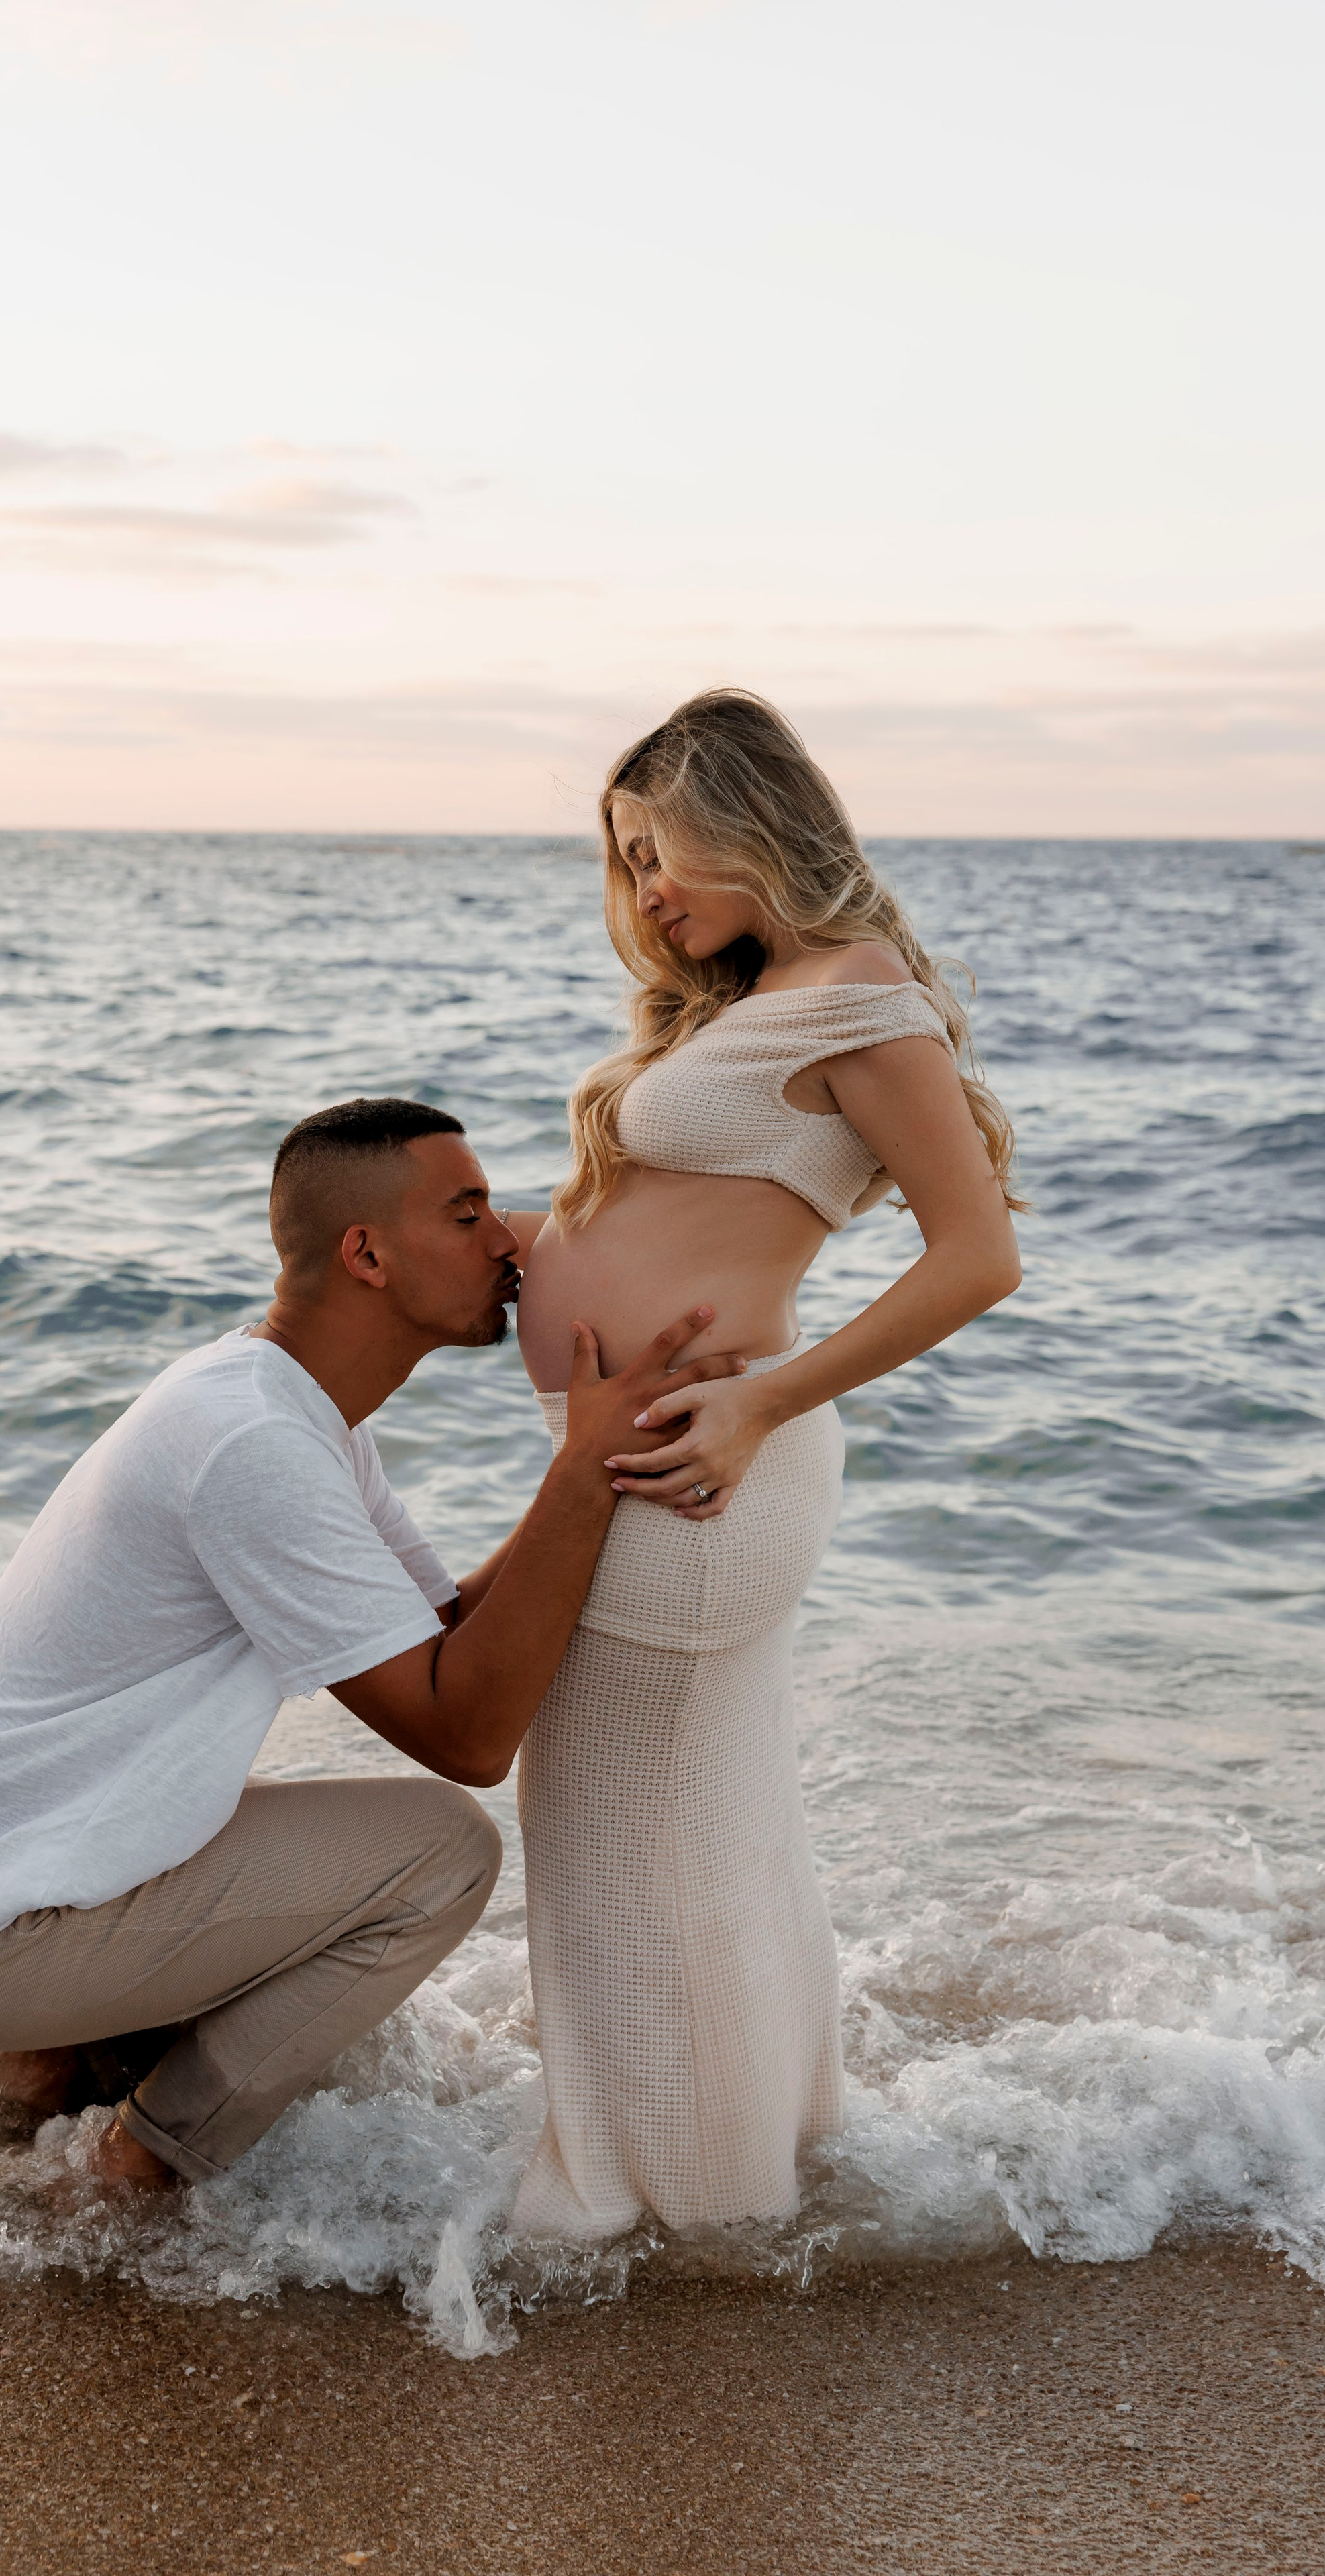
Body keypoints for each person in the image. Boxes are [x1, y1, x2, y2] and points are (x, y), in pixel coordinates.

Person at [0, 1097, 745, 2189]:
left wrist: (600, 1456)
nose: (511, 1238)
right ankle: (140, 2164)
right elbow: (468, 1735)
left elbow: (448, 1633)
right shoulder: (255, 1441)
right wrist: (581, 1475)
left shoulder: (289, 1409)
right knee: (440, 1855)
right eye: (465, 1215)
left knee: (349, 1842)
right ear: (366, 1252)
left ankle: (47, 2072)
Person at [498, 688, 1024, 2239]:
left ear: (749, 820)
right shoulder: (755, 1005)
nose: (644, 889)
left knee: (616, 1837)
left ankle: (664, 2208)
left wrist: (762, 1401)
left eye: (658, 847)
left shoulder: (859, 997)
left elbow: (977, 1255)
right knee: (692, 1832)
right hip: (649, 1464)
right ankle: (738, 2173)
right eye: (623, 859)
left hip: (701, 1469)